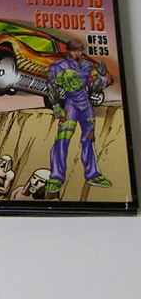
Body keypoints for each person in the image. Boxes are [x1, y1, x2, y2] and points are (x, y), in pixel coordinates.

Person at [45, 39, 111, 197]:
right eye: (75, 50)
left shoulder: (88, 66)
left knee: (88, 139)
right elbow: (52, 87)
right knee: (63, 139)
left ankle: (93, 174)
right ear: (69, 51)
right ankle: (56, 177)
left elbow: (94, 88)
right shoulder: (59, 66)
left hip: (86, 105)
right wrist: (56, 106)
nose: (78, 53)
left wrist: (101, 77)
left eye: (80, 50)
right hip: (70, 105)